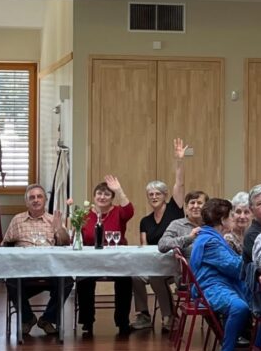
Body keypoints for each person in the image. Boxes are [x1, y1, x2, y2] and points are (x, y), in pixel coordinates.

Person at [132, 140, 188, 331]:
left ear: (165, 195)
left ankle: (168, 317)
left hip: (174, 264)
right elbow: (144, 247)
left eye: (157, 193)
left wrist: (179, 161)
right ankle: (143, 315)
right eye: (150, 194)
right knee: (134, 275)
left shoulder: (175, 208)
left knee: (156, 277)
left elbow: (179, 184)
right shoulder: (145, 221)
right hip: (153, 262)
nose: (154, 197)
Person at [189, 197, 250, 351]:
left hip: (218, 283)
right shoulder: (211, 242)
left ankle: (257, 348)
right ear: (223, 221)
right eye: (231, 216)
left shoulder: (209, 236)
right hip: (210, 287)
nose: (233, 219)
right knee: (240, 307)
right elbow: (235, 267)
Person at [2, 183, 71, 337]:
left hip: (50, 268)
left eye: (39, 196)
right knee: (11, 281)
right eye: (31, 197)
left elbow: (66, 244)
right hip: (24, 269)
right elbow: (5, 244)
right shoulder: (17, 220)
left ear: (45, 200)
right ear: (26, 202)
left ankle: (47, 319)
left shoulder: (53, 219)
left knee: (67, 282)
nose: (35, 200)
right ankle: (28, 318)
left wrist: (59, 228)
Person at [76, 175, 137, 336]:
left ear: (112, 198)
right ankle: (87, 322)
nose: (102, 197)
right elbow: (78, 236)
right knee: (83, 279)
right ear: (94, 196)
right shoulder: (84, 214)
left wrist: (119, 190)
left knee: (125, 280)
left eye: (107, 194)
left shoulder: (118, 212)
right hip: (91, 260)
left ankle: (122, 321)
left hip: (116, 259)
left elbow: (130, 211)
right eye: (99, 194)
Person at [155, 190, 206, 256]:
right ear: (186, 207)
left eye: (199, 203)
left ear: (206, 207)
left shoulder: (212, 225)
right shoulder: (177, 224)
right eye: (192, 203)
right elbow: (162, 245)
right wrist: (189, 238)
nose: (195, 206)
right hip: (188, 265)